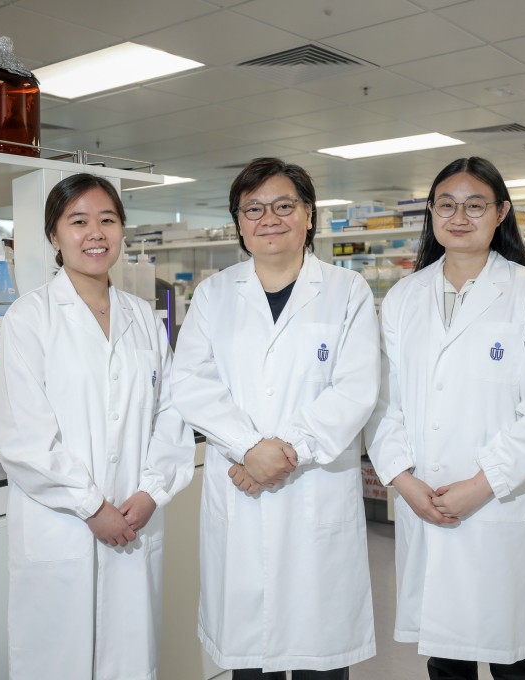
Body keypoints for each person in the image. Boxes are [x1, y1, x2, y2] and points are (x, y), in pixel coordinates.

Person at [171, 157, 380, 679]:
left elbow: (355, 390)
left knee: (320, 658)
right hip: (242, 491)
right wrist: (248, 448)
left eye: (284, 206)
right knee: (249, 663)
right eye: (254, 209)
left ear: (309, 215)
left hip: (313, 489)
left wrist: (281, 453)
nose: (270, 218)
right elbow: (191, 383)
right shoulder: (216, 295)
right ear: (239, 222)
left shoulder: (345, 291)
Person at [364, 157, 525, 680]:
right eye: (446, 204)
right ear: (431, 212)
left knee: (513, 655)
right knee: (446, 653)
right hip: (425, 495)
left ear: (501, 212)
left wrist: (483, 483)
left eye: (475, 205)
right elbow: (385, 401)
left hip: (496, 500)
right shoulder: (404, 297)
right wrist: (403, 481)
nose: (459, 216)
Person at [0, 173, 194, 680]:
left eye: (107, 220)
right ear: (55, 236)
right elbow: (24, 438)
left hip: (134, 516)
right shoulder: (29, 319)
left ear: (123, 231)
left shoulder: (143, 319)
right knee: (58, 660)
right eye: (77, 221)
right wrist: (91, 505)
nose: (95, 233)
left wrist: (151, 491)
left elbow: (172, 412)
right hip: (62, 525)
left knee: (129, 659)